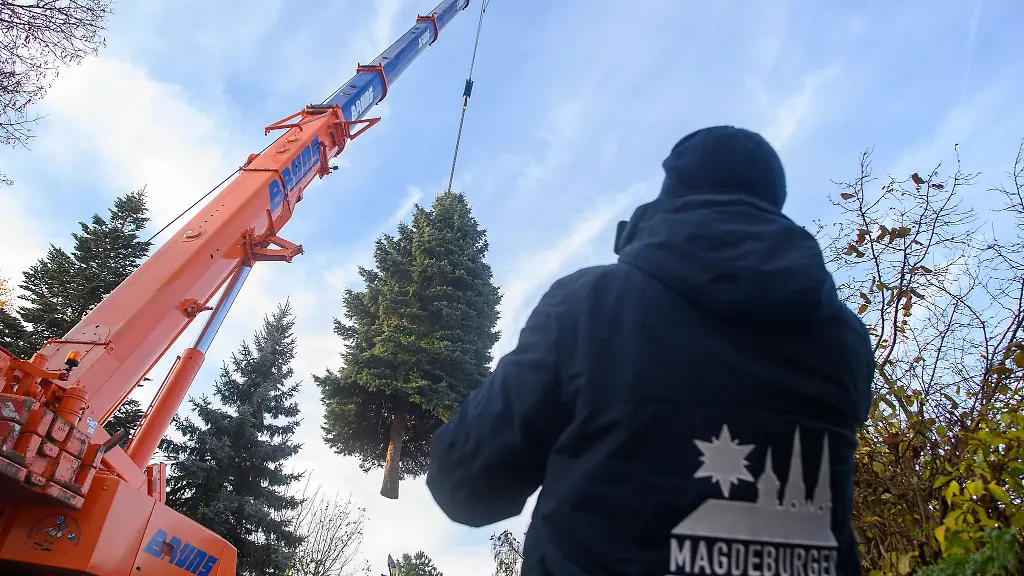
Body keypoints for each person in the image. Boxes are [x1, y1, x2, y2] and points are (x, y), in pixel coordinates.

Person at [425, 126, 875, 576]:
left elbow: (467, 484)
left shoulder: (589, 305)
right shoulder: (844, 339)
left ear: (671, 192)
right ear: (773, 202)